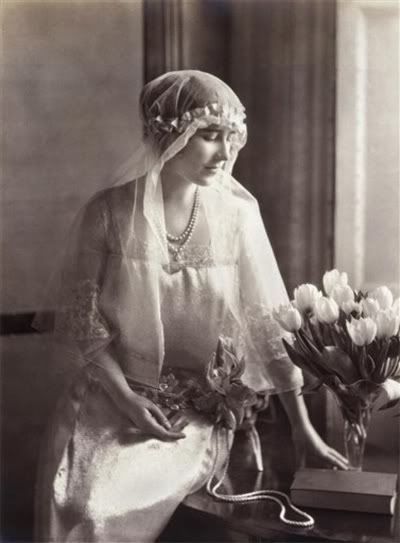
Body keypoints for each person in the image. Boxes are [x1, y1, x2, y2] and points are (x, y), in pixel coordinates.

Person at [34, 70, 348, 542]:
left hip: (199, 414)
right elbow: (84, 319)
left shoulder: (238, 215)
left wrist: (303, 428)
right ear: (168, 133)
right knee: (87, 509)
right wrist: (128, 399)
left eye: (230, 138)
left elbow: (266, 323)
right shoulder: (108, 213)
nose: (224, 154)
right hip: (112, 400)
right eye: (208, 136)